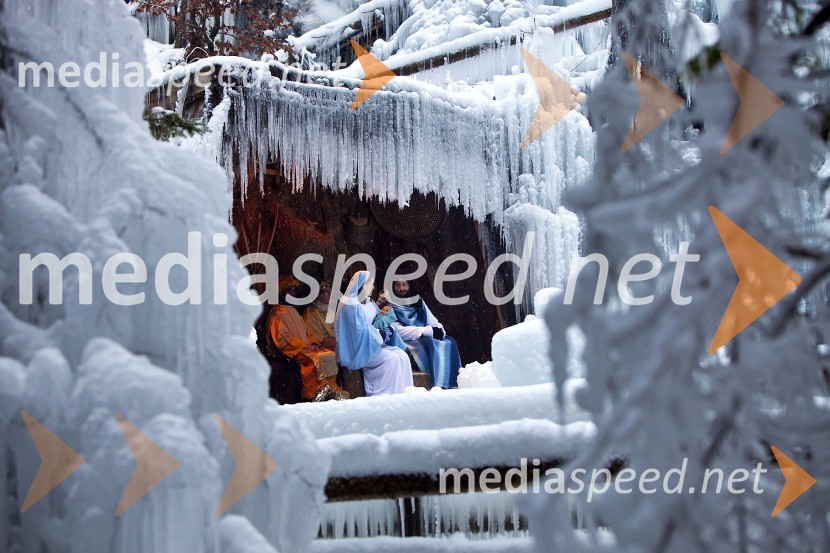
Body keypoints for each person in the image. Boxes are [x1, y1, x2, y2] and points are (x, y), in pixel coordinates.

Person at [334, 271, 413, 396]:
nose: (374, 287)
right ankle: (383, 396)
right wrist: (379, 334)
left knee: (402, 355)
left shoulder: (370, 303)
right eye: (371, 284)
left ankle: (404, 394)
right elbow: (356, 333)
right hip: (358, 350)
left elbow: (377, 321)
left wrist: (389, 328)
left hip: (373, 344)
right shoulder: (350, 306)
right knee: (391, 359)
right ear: (362, 285)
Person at [267, 276, 342, 402]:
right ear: (283, 293)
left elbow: (307, 333)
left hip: (307, 348)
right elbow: (282, 339)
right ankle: (314, 393)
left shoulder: (293, 311)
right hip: (295, 351)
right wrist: (304, 346)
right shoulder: (278, 312)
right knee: (317, 360)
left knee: (330, 355)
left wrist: (313, 343)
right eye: (291, 290)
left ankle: (332, 390)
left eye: (294, 290)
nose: (294, 293)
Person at [380, 280, 461, 388]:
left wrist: (439, 330)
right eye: (397, 285)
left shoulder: (417, 300)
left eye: (404, 284)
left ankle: (449, 383)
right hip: (404, 340)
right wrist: (425, 331)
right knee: (430, 344)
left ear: (410, 285)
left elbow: (432, 321)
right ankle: (436, 383)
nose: (401, 288)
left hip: (423, 336)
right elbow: (396, 330)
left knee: (449, 342)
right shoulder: (388, 303)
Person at [303, 281, 337, 350]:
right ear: (318, 295)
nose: (330, 295)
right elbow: (315, 337)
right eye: (326, 293)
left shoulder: (332, 309)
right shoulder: (311, 313)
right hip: (324, 348)